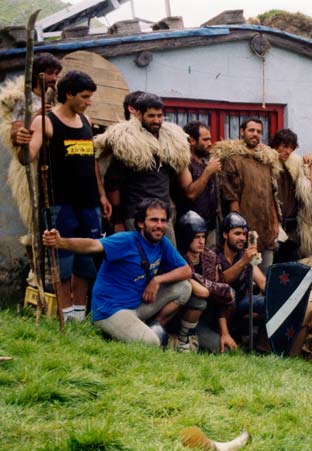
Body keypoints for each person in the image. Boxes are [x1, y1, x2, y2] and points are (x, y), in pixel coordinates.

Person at [42, 198, 192, 346]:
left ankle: (154, 327)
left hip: (137, 305)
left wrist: (157, 280)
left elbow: (186, 270)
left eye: (163, 220)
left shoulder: (162, 242)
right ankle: (123, 331)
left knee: (184, 287)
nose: (159, 225)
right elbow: (92, 245)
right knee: (151, 343)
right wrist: (61, 242)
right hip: (111, 310)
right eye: (154, 220)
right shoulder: (125, 241)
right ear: (141, 223)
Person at [25, 70, 111, 322]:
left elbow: (91, 161)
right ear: (68, 94)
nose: (89, 101)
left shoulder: (86, 120)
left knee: (86, 261)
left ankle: (78, 316)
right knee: (62, 261)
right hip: (60, 205)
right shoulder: (46, 122)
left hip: (89, 203)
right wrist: (21, 141)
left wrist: (102, 195)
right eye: (84, 96)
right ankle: (63, 314)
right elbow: (27, 156)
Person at [99, 93, 190, 243]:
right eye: (151, 116)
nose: (157, 120)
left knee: (168, 261)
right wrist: (118, 220)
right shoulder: (127, 143)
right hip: (136, 214)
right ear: (139, 114)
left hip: (162, 213)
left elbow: (177, 176)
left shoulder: (170, 141)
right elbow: (112, 185)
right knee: (141, 260)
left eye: (160, 116)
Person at [2, 53, 62, 244]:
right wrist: (37, 115)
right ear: (39, 75)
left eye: (57, 74)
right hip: (33, 163)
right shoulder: (26, 99)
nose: (55, 78)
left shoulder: (54, 95)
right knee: (37, 219)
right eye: (51, 73)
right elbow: (16, 131)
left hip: (52, 163)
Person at [216, 118, 281, 274]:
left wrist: (275, 221)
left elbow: (271, 194)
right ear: (242, 132)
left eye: (259, 131)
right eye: (251, 130)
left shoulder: (265, 159)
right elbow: (232, 196)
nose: (255, 134)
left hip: (266, 227)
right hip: (246, 226)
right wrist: (238, 226)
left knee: (267, 272)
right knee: (247, 274)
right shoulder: (234, 159)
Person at [175, 211, 236, 354]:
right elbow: (201, 292)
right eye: (197, 237)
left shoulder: (210, 257)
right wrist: (217, 290)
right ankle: (181, 340)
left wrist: (225, 333)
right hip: (178, 316)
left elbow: (223, 299)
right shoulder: (177, 258)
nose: (202, 241)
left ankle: (195, 341)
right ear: (186, 237)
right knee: (199, 299)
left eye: (203, 236)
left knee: (225, 351)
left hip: (203, 319)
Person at [215, 211, 269, 351]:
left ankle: (262, 345)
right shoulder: (214, 255)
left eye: (244, 234)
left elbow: (262, 283)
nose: (242, 238)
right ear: (225, 234)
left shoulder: (242, 255)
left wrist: (277, 295)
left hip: (240, 304)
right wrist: (244, 261)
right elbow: (221, 281)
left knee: (267, 303)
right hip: (218, 308)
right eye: (237, 233)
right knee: (229, 292)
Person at [178, 120, 221, 247]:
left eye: (210, 139)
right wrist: (208, 172)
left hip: (210, 226)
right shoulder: (184, 162)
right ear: (192, 140)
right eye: (205, 140)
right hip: (191, 229)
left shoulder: (206, 162)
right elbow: (190, 193)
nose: (210, 143)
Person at [270, 128, 303, 261]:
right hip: (274, 221)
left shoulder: (295, 164)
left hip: (292, 221)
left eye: (291, 148)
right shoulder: (269, 163)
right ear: (276, 145)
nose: (288, 151)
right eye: (284, 146)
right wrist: (274, 221)